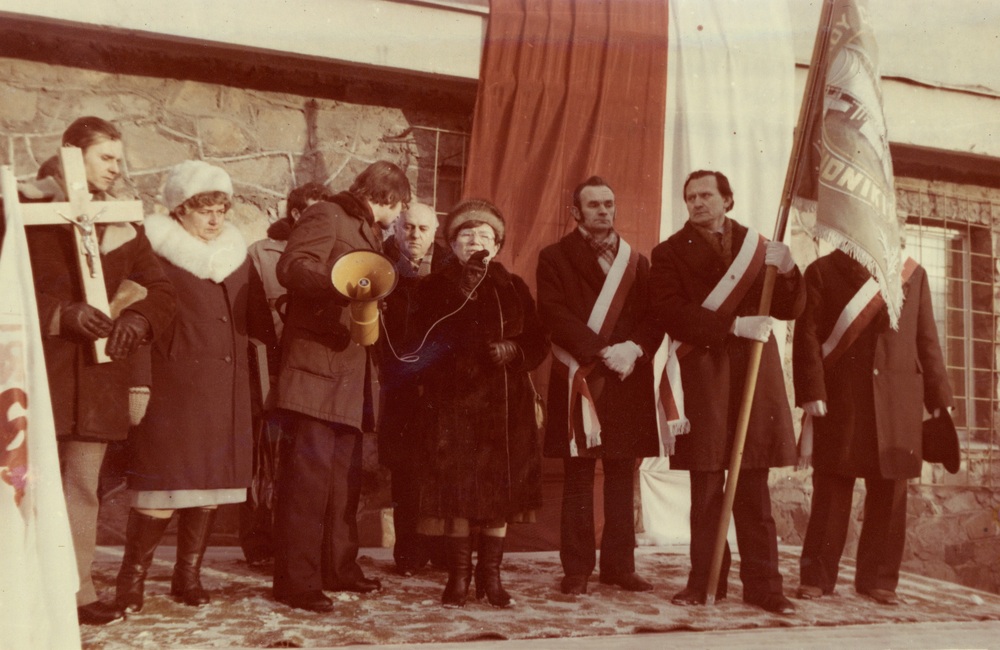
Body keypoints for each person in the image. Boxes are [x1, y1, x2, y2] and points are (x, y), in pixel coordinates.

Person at [22, 116, 176, 626]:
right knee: (23, 486)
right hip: (38, 376)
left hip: (97, 380)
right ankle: (20, 589)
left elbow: (159, 290)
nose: (117, 168)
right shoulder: (23, 208)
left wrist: (137, 317)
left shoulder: (122, 222)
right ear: (72, 153)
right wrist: (59, 314)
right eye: (106, 157)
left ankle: (77, 591)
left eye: (119, 158)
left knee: (80, 486)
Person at [114, 160, 276, 613]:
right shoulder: (154, 253)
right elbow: (138, 317)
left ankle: (187, 577)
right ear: (180, 209)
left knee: (207, 490)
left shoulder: (236, 259)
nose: (214, 219)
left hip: (225, 392)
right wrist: (139, 383)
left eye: (221, 209)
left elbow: (258, 323)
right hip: (173, 389)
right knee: (162, 489)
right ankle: (132, 581)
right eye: (204, 208)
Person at [648, 169, 804, 614]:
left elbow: (791, 308)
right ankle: (705, 581)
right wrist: (733, 324)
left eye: (706, 195)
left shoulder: (759, 249)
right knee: (708, 487)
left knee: (753, 484)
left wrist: (789, 268)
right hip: (706, 377)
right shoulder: (669, 253)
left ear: (728, 200)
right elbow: (668, 311)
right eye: (690, 197)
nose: (697, 203)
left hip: (755, 374)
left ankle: (765, 586)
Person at [271, 160, 410, 613]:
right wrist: (342, 288)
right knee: (307, 483)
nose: (400, 216)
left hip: (348, 375)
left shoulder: (365, 228)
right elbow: (292, 266)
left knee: (341, 482)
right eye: (400, 206)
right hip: (315, 371)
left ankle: (338, 567)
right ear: (388, 198)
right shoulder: (328, 215)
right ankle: (298, 581)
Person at [409, 199, 549, 608]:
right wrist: (462, 291)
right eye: (467, 235)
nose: (476, 241)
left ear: (498, 245)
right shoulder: (434, 286)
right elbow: (419, 342)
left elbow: (538, 341)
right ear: (451, 244)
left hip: (506, 409)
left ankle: (492, 578)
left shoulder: (514, 286)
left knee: (498, 497)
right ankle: (458, 578)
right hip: (454, 407)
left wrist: (512, 350)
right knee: (459, 496)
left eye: (485, 235)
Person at [793, 248, 953, 605]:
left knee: (890, 493)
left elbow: (926, 337)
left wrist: (940, 398)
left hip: (897, 400)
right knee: (832, 487)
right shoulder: (822, 270)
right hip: (843, 398)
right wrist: (811, 392)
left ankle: (879, 579)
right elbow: (807, 335)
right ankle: (817, 576)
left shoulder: (912, 273)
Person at [536, 176, 660, 595]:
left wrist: (634, 349)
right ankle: (576, 570)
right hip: (581, 375)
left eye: (609, 203)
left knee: (624, 473)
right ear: (576, 213)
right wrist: (601, 351)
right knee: (579, 474)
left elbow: (653, 318)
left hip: (626, 377)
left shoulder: (638, 263)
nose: (603, 211)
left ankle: (620, 567)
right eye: (593, 205)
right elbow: (553, 313)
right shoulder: (554, 258)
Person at [240, 181, 330, 567]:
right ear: (295, 214)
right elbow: (255, 320)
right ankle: (261, 545)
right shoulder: (261, 254)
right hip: (275, 373)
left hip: (317, 376)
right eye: (313, 213)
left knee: (306, 466)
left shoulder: (332, 251)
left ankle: (302, 549)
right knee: (267, 462)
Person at [378, 202, 451, 576]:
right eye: (408, 228)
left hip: (441, 386)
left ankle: (440, 550)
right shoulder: (381, 266)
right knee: (405, 470)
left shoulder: (450, 269)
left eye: (424, 229)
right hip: (402, 385)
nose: (415, 236)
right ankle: (407, 552)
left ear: (435, 232)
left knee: (440, 468)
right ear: (397, 230)